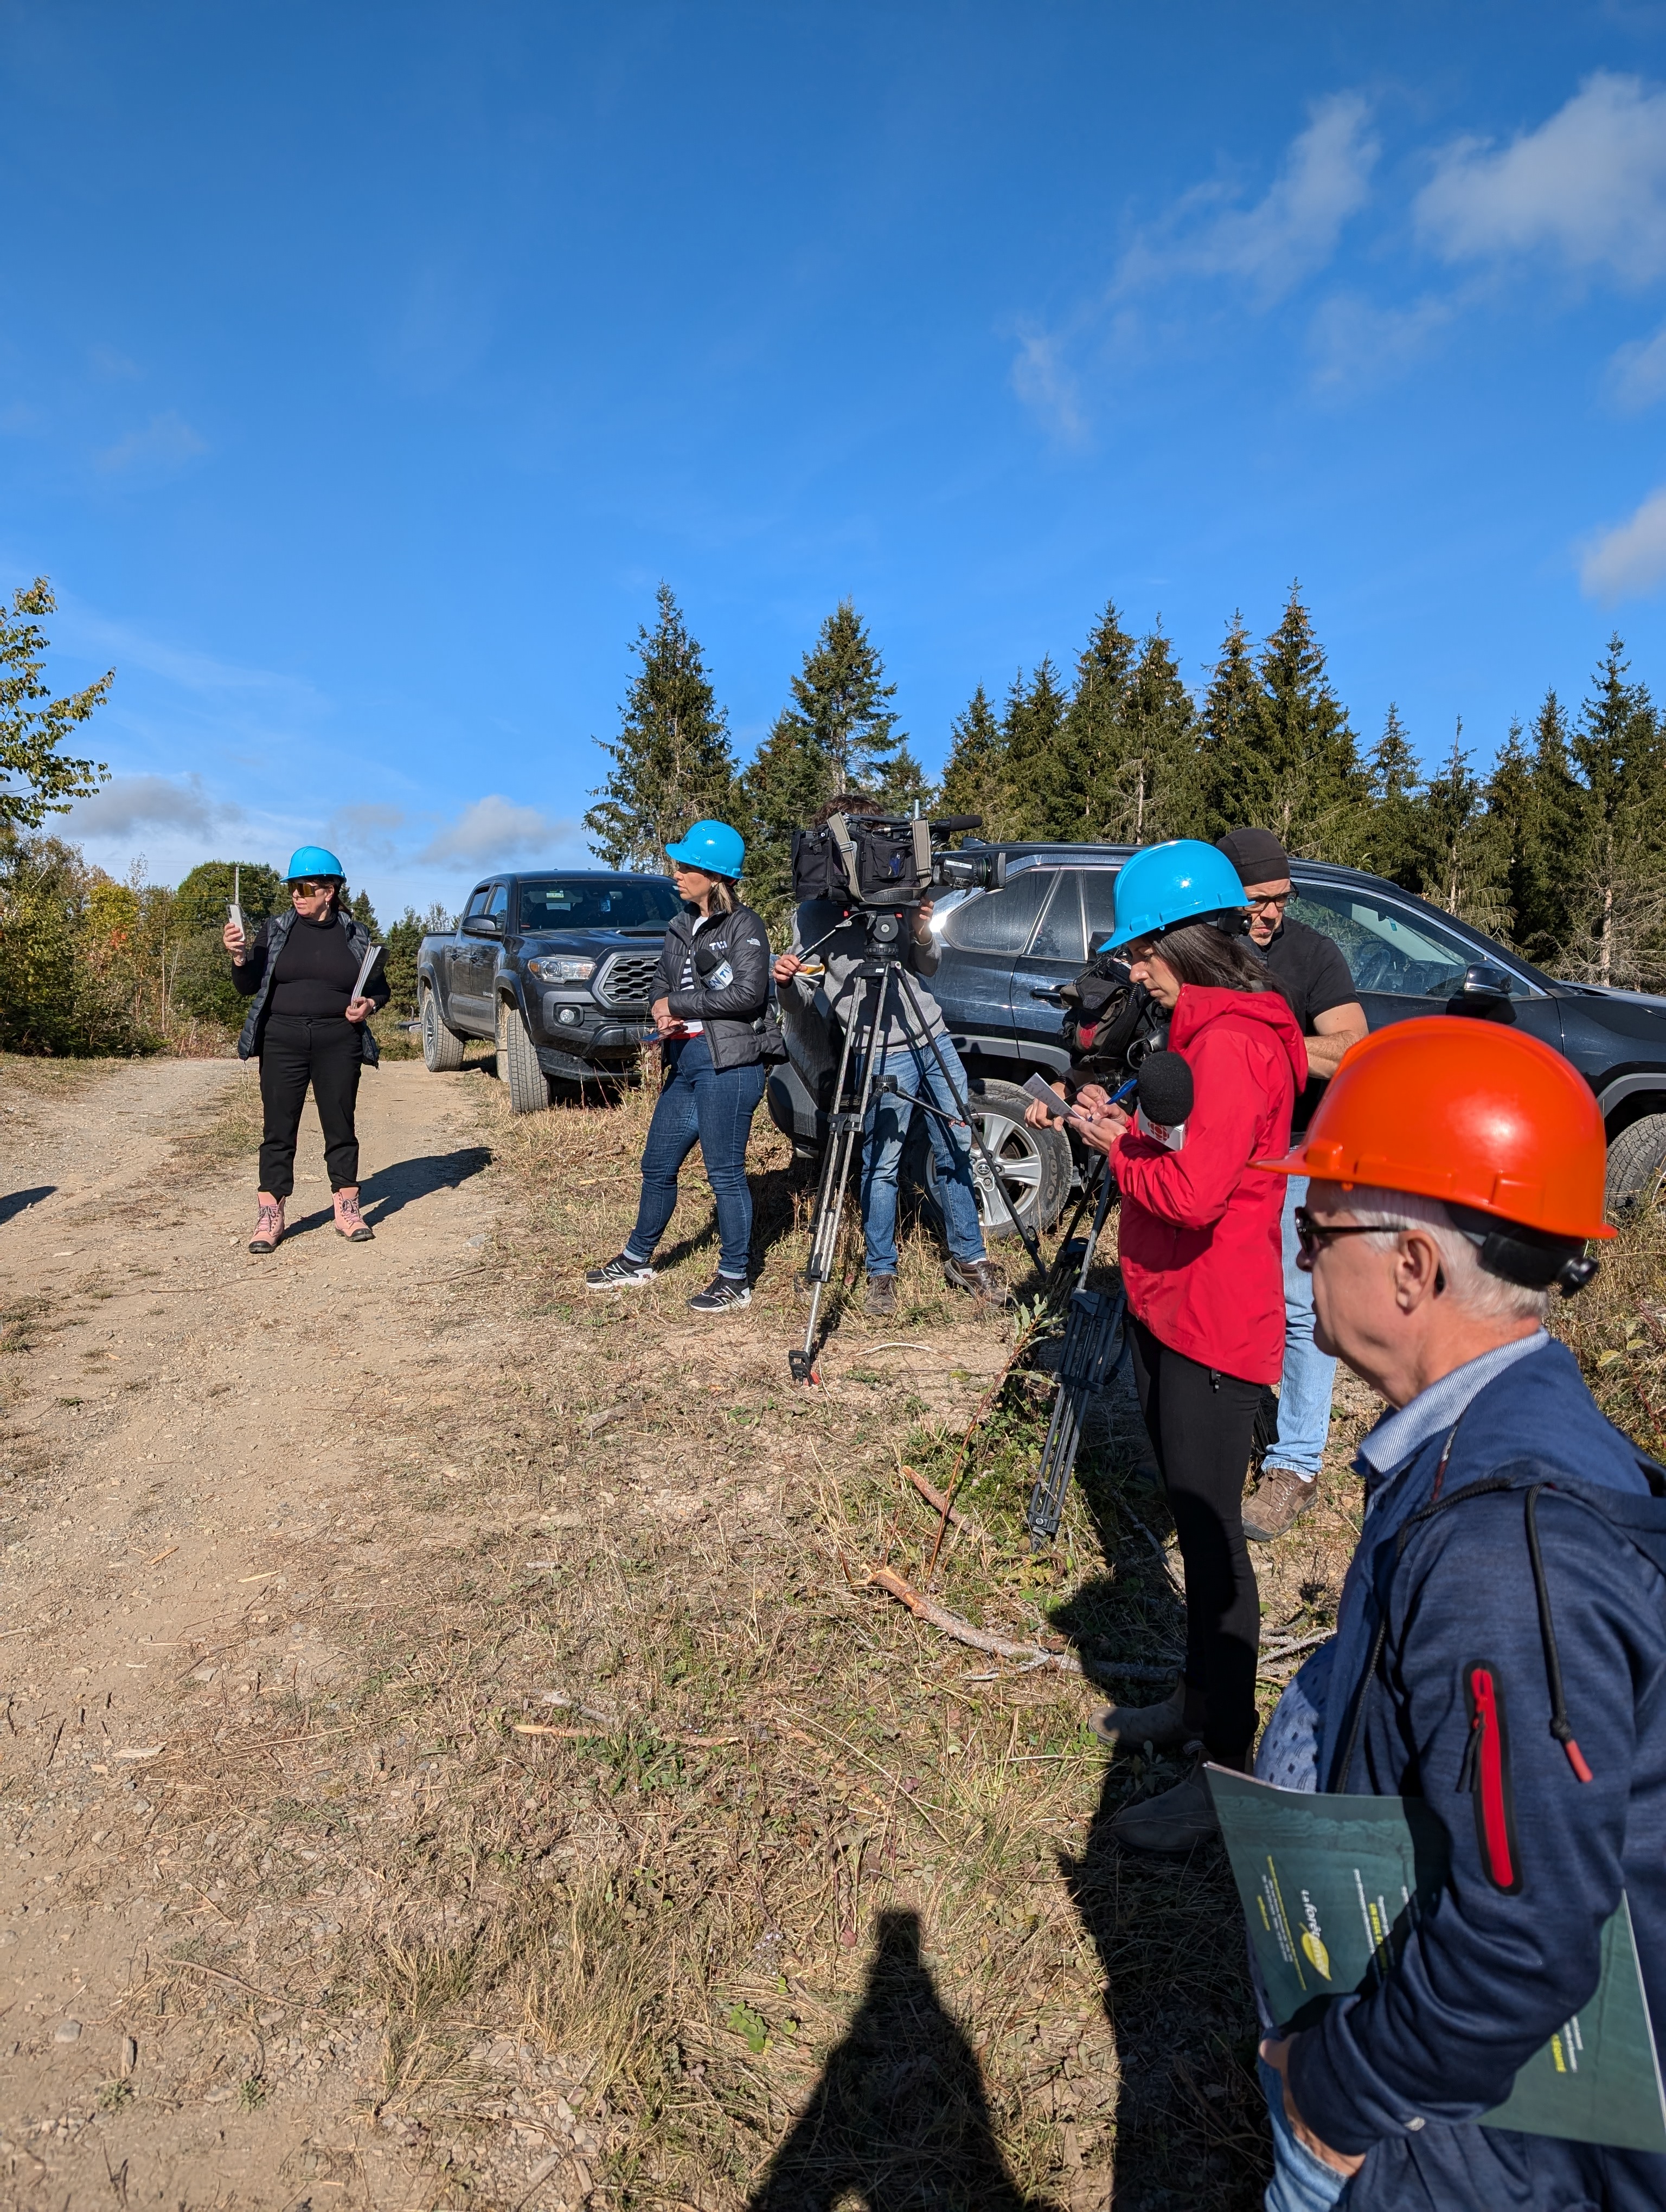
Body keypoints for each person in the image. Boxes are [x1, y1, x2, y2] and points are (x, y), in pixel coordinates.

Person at [1249, 1018, 1665, 2212]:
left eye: (1315, 1225)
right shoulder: (1491, 1439)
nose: (1297, 1251)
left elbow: (1523, 1940)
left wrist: (1333, 2094)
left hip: (1459, 2149)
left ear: (1413, 1268)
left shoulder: (1503, 1550)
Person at [1070, 840, 1307, 1851]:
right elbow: (1186, 1145)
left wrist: (1112, 1152)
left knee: (1212, 1549)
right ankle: (1193, 1705)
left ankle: (1225, 1772)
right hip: (1173, 1302)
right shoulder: (1200, 1030)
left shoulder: (1232, 1042)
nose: (1135, 972)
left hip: (1214, 1319)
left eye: (1141, 952)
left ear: (1185, 940)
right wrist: (1125, 1126)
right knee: (1189, 1516)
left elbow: (1197, 1192)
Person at [771, 792, 1007, 1321]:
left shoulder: (898, 892)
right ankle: (882, 1273)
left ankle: (969, 1259)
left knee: (956, 1146)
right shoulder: (814, 912)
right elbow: (802, 998)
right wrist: (784, 982)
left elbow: (928, 966)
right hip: (878, 1048)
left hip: (931, 1036)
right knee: (881, 1163)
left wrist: (920, 929)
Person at [1215, 828, 1368, 1542]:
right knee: (1223, 1295)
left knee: (1301, 1306)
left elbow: (1353, 1050)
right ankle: (1216, 1435)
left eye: (1281, 899)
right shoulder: (1203, 949)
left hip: (1297, 1151)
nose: (1271, 913)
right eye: (1258, 900)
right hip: (1219, 1149)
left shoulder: (1312, 953)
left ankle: (1295, 1465)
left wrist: (1264, 1041)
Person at [585, 820, 772, 1313]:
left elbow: (749, 995)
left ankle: (735, 1278)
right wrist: (659, 1008)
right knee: (657, 1165)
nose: (677, 874)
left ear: (716, 876)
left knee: (725, 1174)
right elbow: (660, 984)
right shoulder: (678, 925)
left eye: (688, 867)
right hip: (685, 1063)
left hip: (729, 1065)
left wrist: (680, 1005)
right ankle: (636, 1259)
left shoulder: (744, 926)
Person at [226, 846, 389, 1252]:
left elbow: (379, 989)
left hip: (339, 1040)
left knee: (340, 1125)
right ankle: (270, 1215)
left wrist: (369, 1005)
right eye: (292, 888)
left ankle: (347, 1208)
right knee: (278, 1129)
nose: (296, 896)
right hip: (282, 1040)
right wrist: (240, 958)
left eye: (304, 888)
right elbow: (247, 987)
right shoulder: (276, 929)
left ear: (329, 891)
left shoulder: (356, 934)